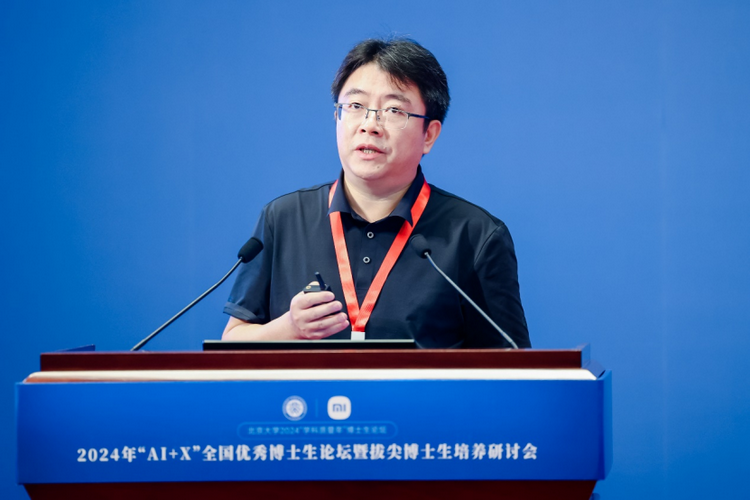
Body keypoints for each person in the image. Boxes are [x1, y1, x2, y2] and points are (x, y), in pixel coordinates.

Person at [222, 38, 530, 348]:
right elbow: (232, 342)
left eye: (394, 110)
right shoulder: (284, 219)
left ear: (429, 135)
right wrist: (289, 328)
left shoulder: (475, 235)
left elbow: (513, 365)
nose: (370, 124)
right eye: (355, 106)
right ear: (337, 117)